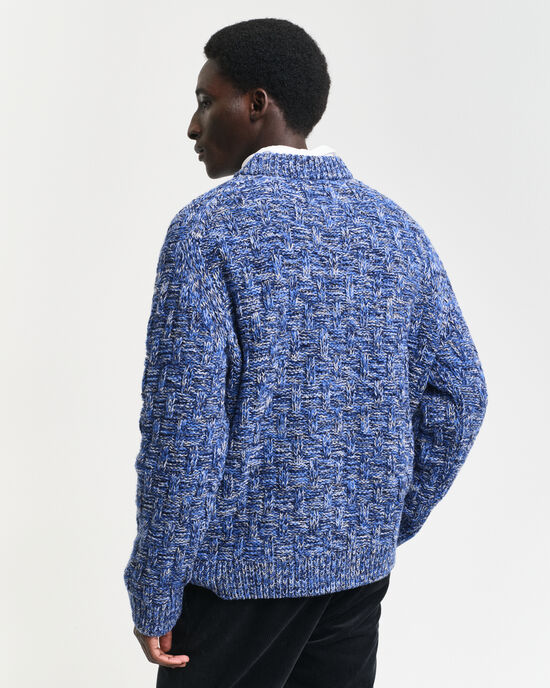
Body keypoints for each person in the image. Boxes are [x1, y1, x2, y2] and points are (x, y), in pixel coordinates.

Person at [123, 17, 488, 688]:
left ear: (257, 104)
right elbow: (460, 394)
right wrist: (381, 520)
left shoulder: (208, 232)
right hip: (354, 580)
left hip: (235, 584)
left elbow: (185, 432)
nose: (193, 126)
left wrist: (155, 586)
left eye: (207, 100)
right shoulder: (395, 230)